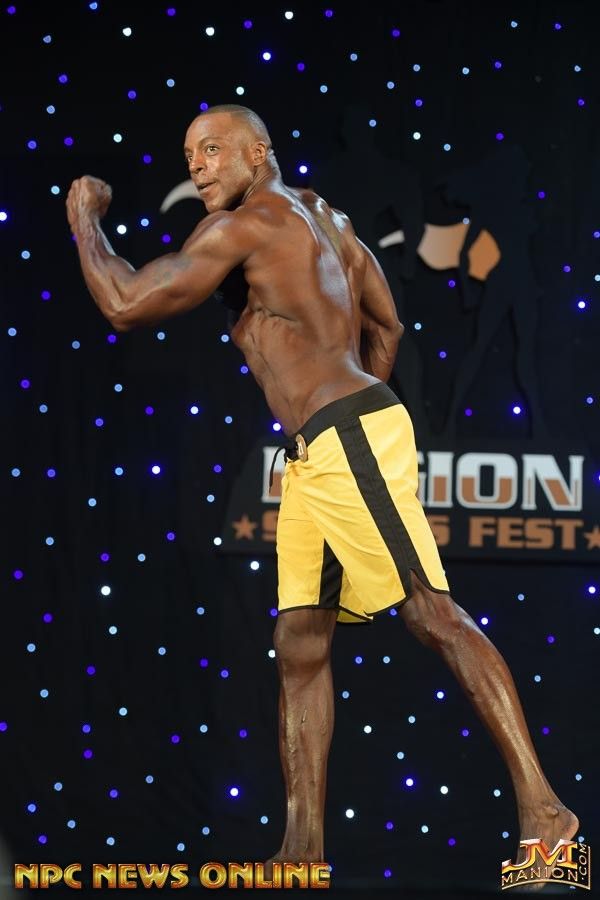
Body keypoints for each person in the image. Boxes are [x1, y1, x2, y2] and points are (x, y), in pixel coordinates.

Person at [66, 104, 577, 873]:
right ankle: (301, 852)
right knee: (299, 642)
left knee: (429, 611)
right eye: (189, 155)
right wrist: (345, 397)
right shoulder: (330, 221)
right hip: (321, 446)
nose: (197, 166)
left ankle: (547, 811)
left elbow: (127, 303)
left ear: (258, 152)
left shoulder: (242, 227)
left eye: (212, 149)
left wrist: (85, 220)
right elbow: (388, 326)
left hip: (347, 435)